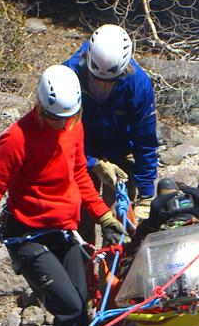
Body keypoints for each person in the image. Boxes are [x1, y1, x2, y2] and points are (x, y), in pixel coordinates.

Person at [0, 65, 126, 326]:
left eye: (67, 118)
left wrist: (102, 214)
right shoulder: (15, 140)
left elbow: (79, 173)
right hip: (27, 237)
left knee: (82, 307)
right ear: (40, 105)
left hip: (63, 231)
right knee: (69, 308)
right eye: (54, 118)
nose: (60, 124)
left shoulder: (73, 127)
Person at [63, 24, 159, 239]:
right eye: (97, 79)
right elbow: (60, 137)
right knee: (80, 215)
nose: (104, 86)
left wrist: (146, 192)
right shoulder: (68, 77)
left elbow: (144, 138)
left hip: (122, 149)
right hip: (81, 150)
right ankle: (84, 263)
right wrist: (92, 162)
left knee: (119, 221)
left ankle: (113, 263)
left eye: (111, 81)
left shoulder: (138, 84)